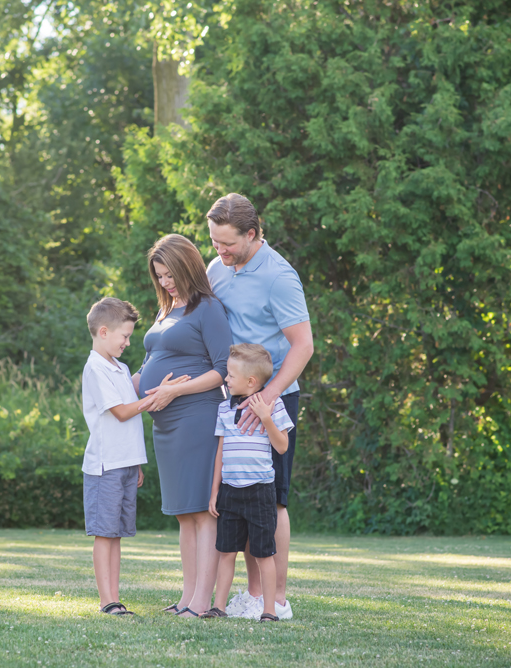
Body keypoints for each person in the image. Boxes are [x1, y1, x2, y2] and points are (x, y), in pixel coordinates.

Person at [206, 193, 314, 621]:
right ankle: (252, 596)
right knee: (243, 495)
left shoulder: (279, 277)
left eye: (227, 243)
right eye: (214, 242)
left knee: (273, 501)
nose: (219, 251)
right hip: (234, 398)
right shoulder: (218, 269)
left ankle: (278, 600)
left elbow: (303, 346)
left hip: (274, 398)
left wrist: (266, 399)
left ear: (252, 234)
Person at [133, 234, 232, 618]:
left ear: (187, 266)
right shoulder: (166, 310)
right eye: (159, 276)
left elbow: (222, 371)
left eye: (170, 274)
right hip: (165, 424)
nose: (165, 282)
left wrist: (175, 392)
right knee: (183, 514)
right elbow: (149, 364)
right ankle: (187, 596)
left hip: (197, 417)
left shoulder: (207, 308)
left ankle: (201, 602)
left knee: (201, 511)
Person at [81, 297, 186, 616]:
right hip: (105, 465)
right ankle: (107, 600)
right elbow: (124, 412)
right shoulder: (95, 369)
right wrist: (154, 397)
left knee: (117, 534)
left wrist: (137, 461)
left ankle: (115, 597)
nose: (128, 342)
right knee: (105, 533)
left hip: (125, 464)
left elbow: (132, 409)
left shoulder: (121, 368)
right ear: (103, 332)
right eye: (124, 336)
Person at [203, 344, 293, 622]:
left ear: (251, 381)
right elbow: (220, 452)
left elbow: (282, 446)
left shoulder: (273, 405)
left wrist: (266, 419)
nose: (226, 379)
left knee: (263, 553)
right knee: (226, 551)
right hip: (230, 491)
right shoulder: (223, 409)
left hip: (260, 492)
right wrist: (215, 491)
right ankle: (219, 606)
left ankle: (268, 610)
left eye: (230, 375)